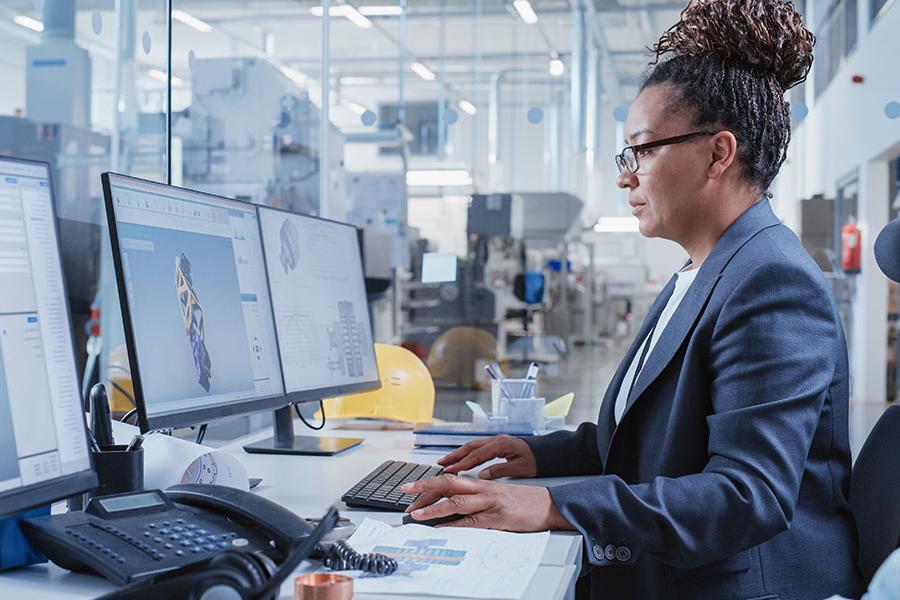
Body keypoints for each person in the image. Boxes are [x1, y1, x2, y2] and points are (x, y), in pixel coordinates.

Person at [400, 0, 862, 598]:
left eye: (642, 150)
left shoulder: (772, 281)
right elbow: (654, 440)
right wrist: (537, 456)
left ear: (719, 154)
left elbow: (748, 495)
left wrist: (546, 505)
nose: (625, 176)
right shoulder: (699, 271)